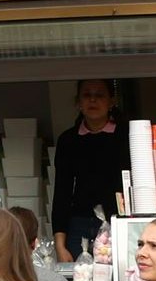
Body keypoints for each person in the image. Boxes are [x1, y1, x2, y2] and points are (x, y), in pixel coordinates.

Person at [49, 80, 129, 259]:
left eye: (99, 95)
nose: (93, 100)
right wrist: (60, 245)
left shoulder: (126, 135)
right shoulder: (68, 140)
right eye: (87, 95)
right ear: (78, 102)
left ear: (111, 101)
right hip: (79, 226)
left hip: (120, 222)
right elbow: (62, 191)